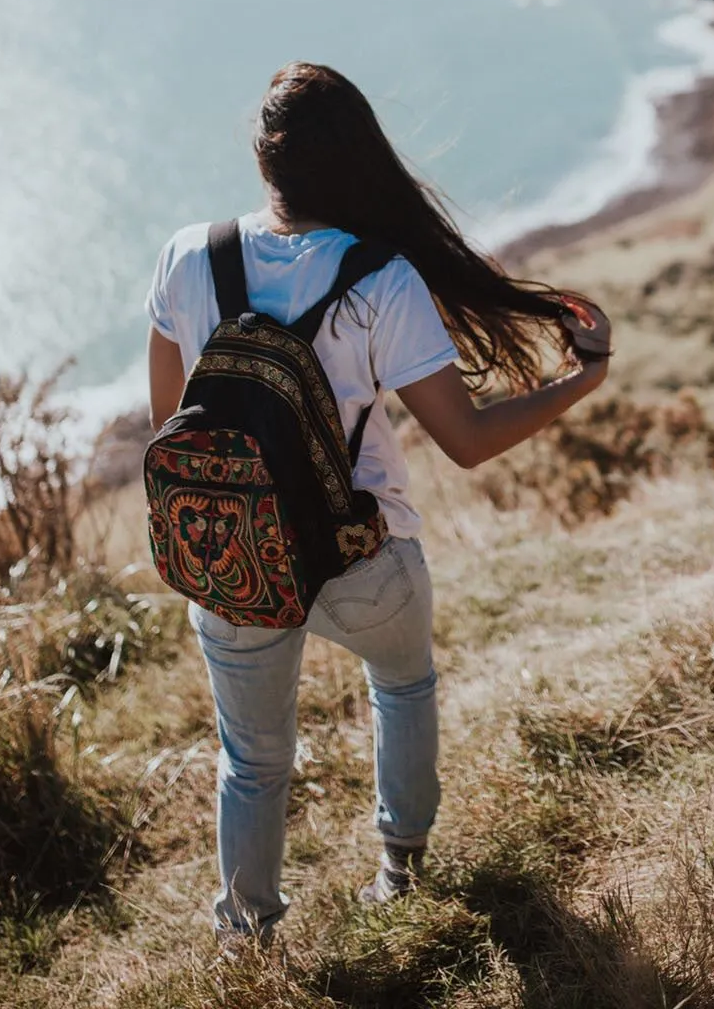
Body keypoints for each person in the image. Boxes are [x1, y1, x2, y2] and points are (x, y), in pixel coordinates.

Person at [145, 61, 611, 943]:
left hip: (232, 551)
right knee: (402, 685)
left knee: (252, 763)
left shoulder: (186, 255)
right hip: (361, 554)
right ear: (359, 162)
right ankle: (400, 872)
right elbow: (467, 444)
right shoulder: (381, 280)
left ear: (264, 162)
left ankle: (247, 940)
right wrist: (580, 379)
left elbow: (173, 425)